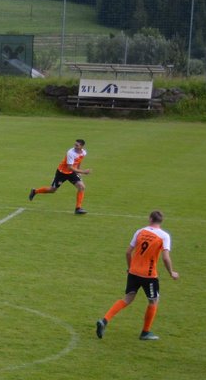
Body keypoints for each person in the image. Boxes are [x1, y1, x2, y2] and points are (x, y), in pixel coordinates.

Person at [96, 210, 180, 341]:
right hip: (149, 276)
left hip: (133, 272)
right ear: (161, 221)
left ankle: (104, 320)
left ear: (150, 219)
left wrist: (130, 268)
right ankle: (145, 332)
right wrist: (171, 272)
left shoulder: (140, 231)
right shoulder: (164, 236)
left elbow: (128, 252)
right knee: (153, 301)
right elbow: (165, 257)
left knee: (127, 299)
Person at [30, 138, 90, 215]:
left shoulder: (83, 152)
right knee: (52, 190)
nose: (75, 146)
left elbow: (79, 161)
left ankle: (78, 208)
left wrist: (78, 170)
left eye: (77, 145)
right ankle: (35, 191)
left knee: (81, 187)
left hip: (71, 172)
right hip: (62, 173)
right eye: (75, 145)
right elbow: (69, 167)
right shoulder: (70, 153)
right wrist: (83, 172)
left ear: (82, 146)